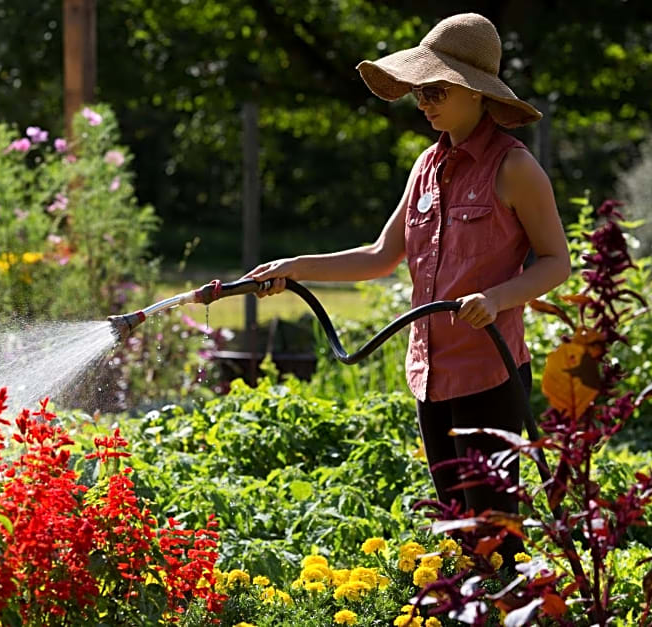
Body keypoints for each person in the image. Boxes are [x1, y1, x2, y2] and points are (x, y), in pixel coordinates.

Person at [244, 13, 570, 566]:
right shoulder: (426, 165)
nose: (424, 103)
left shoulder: (514, 168)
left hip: (489, 374)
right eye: (420, 92)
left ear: (475, 92)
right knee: (455, 533)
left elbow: (556, 261)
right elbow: (380, 256)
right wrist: (295, 265)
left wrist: (497, 299)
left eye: (436, 90)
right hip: (431, 375)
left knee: (495, 538)